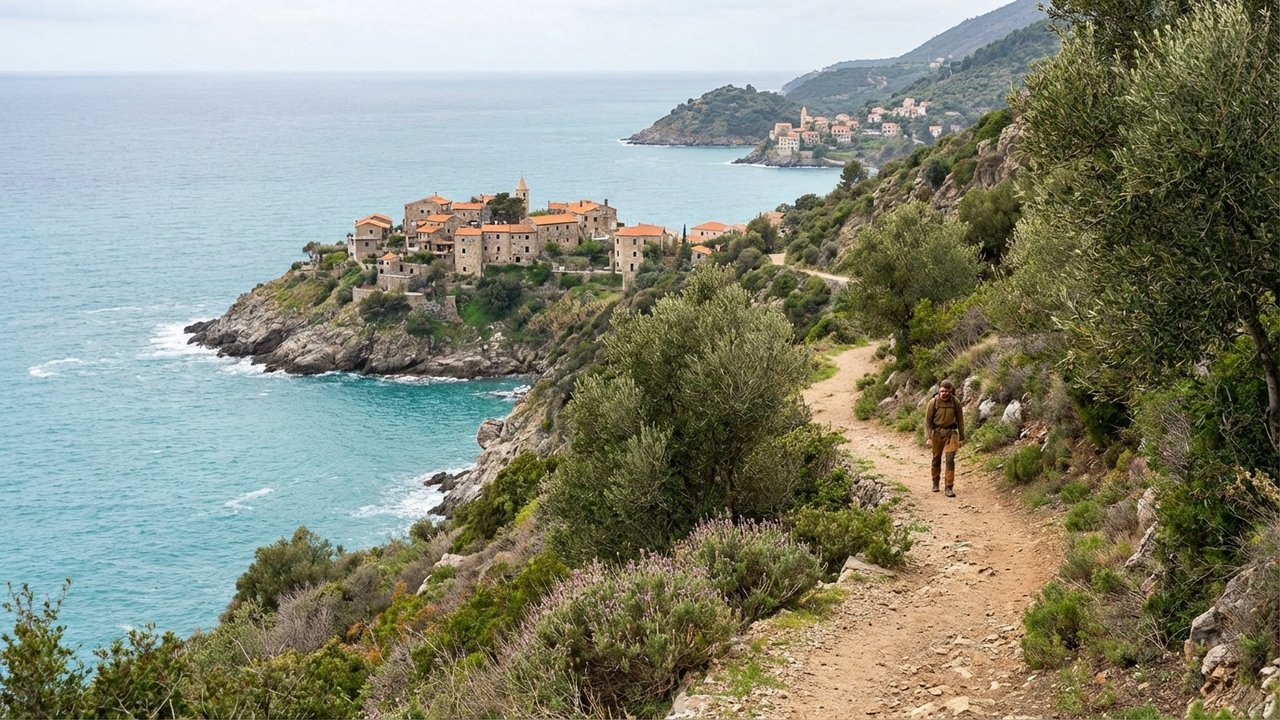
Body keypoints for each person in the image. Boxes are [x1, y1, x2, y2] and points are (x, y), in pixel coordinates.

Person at [925, 379, 965, 497]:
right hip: (937, 434)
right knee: (936, 458)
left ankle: (949, 487)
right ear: (939, 391)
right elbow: (927, 422)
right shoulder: (933, 402)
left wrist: (962, 437)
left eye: (947, 391)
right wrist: (929, 437)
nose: (944, 393)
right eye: (942, 391)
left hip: (951, 433)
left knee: (950, 459)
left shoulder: (955, 402)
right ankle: (935, 482)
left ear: (951, 391)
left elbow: (960, 421)